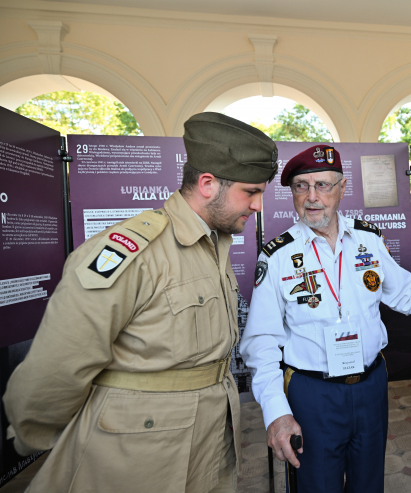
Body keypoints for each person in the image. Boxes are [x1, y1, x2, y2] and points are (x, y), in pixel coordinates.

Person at [2, 112, 278, 493]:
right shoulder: (134, 252)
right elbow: (55, 367)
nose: (259, 206)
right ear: (208, 184)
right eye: (251, 192)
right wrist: (38, 435)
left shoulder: (213, 246)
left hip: (208, 444)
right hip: (139, 454)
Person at [240, 144, 411, 493]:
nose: (311, 197)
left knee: (369, 484)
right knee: (317, 485)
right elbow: (261, 343)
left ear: (342, 188)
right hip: (312, 394)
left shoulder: (367, 239)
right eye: (300, 186)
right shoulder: (277, 256)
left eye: (322, 185)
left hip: (370, 388)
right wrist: (277, 412)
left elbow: (406, 294)